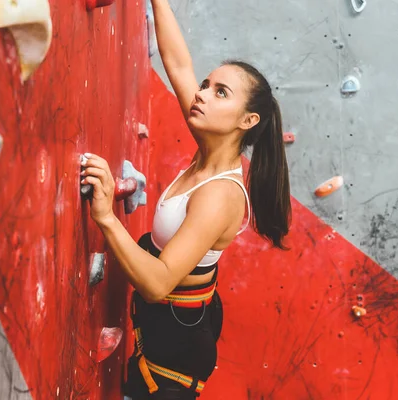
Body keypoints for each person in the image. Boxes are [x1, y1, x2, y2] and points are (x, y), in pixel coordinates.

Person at [80, 1, 291, 397]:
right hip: (170, 330)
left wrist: (107, 215)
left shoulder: (220, 194)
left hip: (172, 360)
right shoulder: (209, 150)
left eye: (221, 92)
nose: (203, 94)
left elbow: (158, 285)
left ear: (247, 121)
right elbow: (177, 64)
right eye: (207, 85)